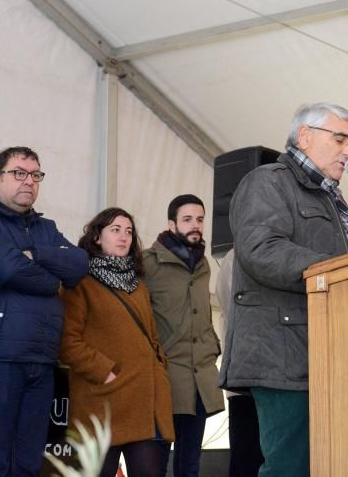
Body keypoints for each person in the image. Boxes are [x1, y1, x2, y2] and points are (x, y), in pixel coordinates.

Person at [219, 102, 348, 477]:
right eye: (340, 139)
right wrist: (338, 271)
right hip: (283, 354)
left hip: (329, 353)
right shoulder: (267, 181)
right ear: (305, 136)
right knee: (290, 467)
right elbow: (261, 250)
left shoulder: (334, 201)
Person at [0, 146, 88, 477]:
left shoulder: (44, 228)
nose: (29, 181)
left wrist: (35, 253)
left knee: (28, 465)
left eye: (35, 175)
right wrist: (51, 278)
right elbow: (5, 268)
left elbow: (79, 264)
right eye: (19, 173)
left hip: (41, 358)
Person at [60, 208, 175, 477]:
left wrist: (159, 367)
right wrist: (105, 372)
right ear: (97, 237)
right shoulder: (79, 282)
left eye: (129, 231)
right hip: (101, 403)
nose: (124, 237)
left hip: (145, 402)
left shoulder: (138, 285)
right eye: (115, 230)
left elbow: (152, 338)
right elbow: (67, 342)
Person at [142, 194, 224, 477]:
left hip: (200, 379)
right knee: (155, 463)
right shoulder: (148, 264)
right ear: (170, 224)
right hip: (166, 380)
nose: (195, 225)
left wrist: (213, 348)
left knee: (190, 465)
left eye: (200, 219)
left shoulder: (203, 264)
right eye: (187, 219)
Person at [214, 249, 264, 477]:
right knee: (246, 458)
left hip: (277, 380)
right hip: (242, 378)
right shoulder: (234, 258)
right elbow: (229, 306)